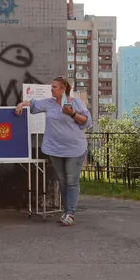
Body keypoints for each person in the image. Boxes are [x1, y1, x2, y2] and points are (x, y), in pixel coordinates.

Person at [15, 76, 92, 226]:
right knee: (63, 181)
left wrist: (72, 114)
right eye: (51, 87)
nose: (51, 89)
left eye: (54, 87)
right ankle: (66, 211)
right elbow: (33, 103)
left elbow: (87, 121)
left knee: (71, 180)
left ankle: (70, 213)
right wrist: (21, 104)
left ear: (63, 89)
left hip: (74, 149)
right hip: (54, 149)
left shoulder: (75, 102)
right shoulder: (49, 103)